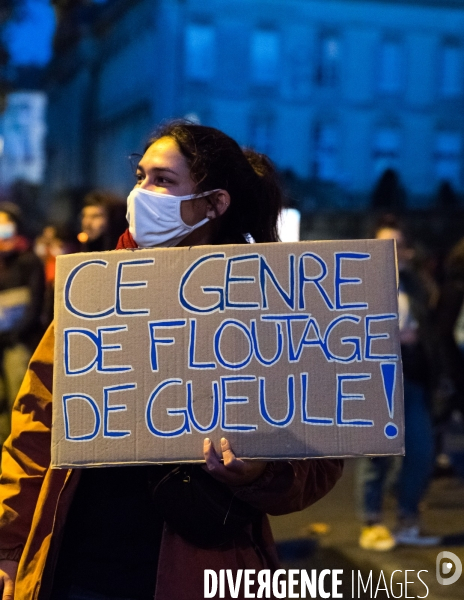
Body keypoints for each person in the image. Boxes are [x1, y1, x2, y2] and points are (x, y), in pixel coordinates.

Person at [0, 122, 344, 600]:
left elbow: (320, 457)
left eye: (162, 180)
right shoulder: (97, 294)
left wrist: (260, 473)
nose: (141, 193)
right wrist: (9, 546)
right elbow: (36, 428)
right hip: (75, 568)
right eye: (141, 176)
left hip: (196, 573)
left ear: (213, 204)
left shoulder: (268, 307)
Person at [357, 216, 439, 551]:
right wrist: (394, 337)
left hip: (414, 378)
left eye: (398, 244)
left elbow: (431, 327)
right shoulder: (358, 284)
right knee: (377, 454)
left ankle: (407, 519)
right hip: (378, 378)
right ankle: (372, 522)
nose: (392, 251)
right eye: (384, 244)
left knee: (421, 452)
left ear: (407, 251)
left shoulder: (416, 285)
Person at [0, 202, 45, 450]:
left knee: (19, 395)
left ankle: (20, 450)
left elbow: (35, 305)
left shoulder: (28, 261)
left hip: (18, 342)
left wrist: (13, 334)